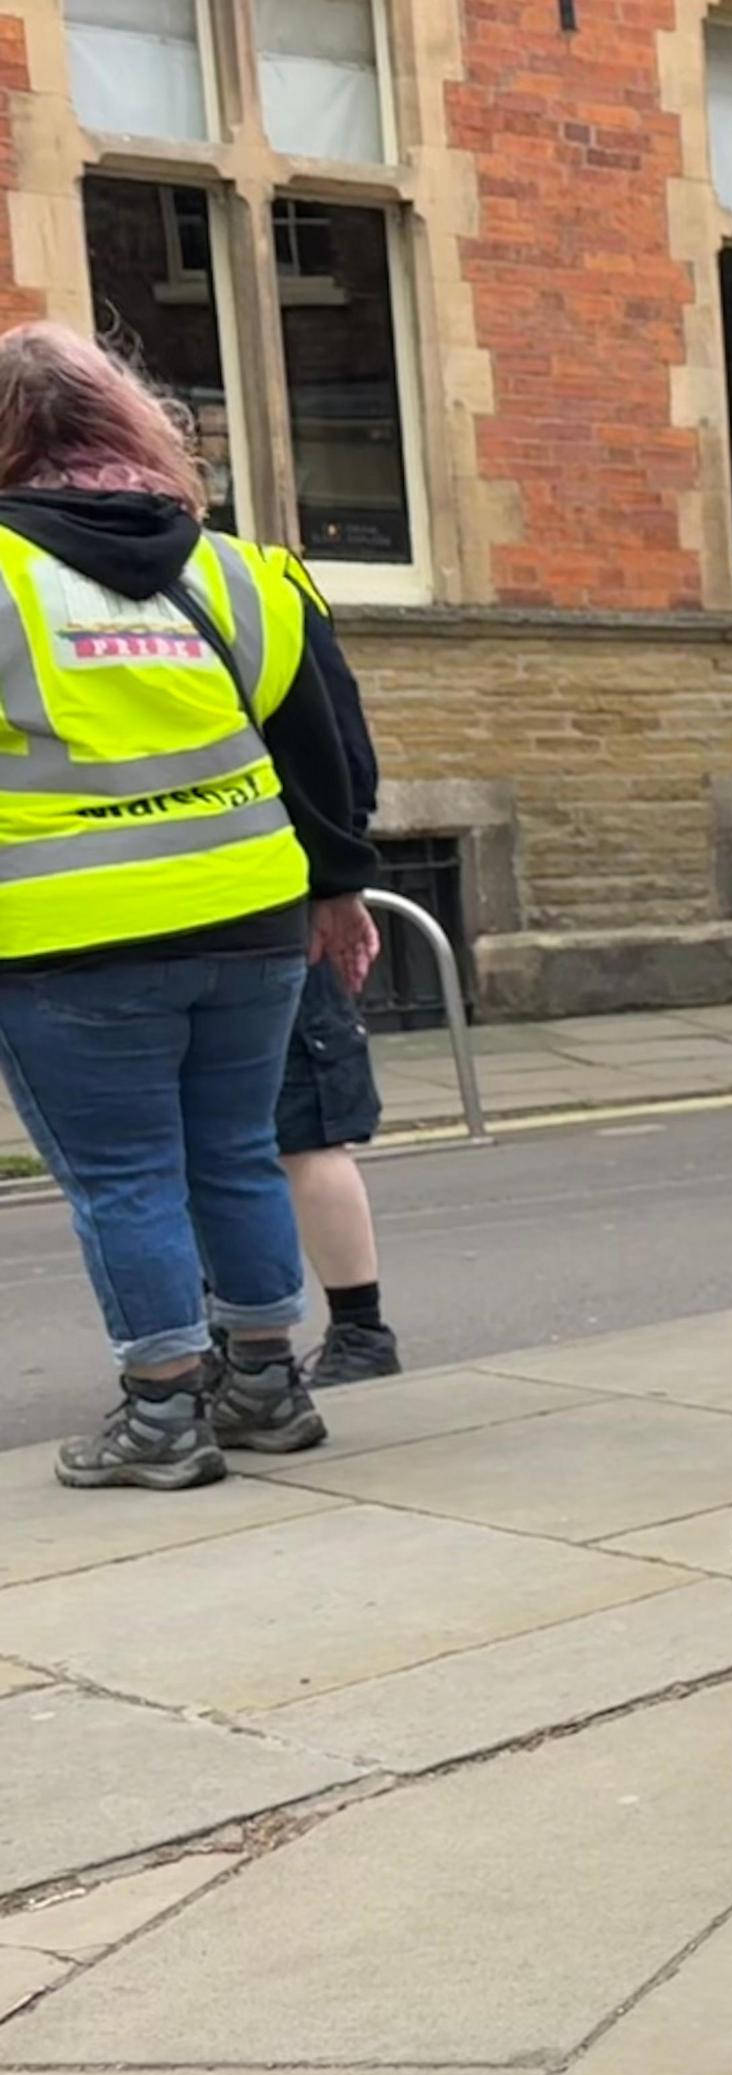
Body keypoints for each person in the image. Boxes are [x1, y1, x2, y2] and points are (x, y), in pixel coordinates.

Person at [0, 323, 381, 1490]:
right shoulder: (240, 572)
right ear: (134, 422)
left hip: (65, 934)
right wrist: (337, 889)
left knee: (124, 1176)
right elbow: (328, 752)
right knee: (235, 1154)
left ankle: (160, 1413)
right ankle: (264, 1385)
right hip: (254, 918)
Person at [272, 566, 400, 1384]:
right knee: (309, 1127)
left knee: (168, 1151)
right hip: (269, 886)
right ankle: (358, 1331)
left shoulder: (25, 570)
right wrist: (339, 878)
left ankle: (223, 1346)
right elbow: (336, 744)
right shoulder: (258, 579)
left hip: (89, 913)